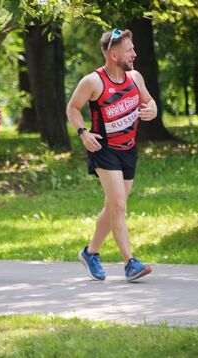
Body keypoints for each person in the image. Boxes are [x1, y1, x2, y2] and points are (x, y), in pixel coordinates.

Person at [66, 29, 157, 282]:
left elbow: (150, 103)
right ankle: (130, 263)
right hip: (104, 150)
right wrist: (83, 133)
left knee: (113, 207)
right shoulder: (93, 82)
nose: (135, 54)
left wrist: (152, 110)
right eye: (130, 50)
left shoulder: (135, 77)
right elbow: (72, 108)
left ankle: (90, 252)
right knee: (118, 205)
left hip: (129, 149)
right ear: (114, 54)